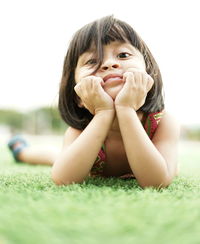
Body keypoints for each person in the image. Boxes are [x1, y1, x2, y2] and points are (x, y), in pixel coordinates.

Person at [8, 16, 179, 188]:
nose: (109, 64)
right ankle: (21, 150)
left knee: (59, 156)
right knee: (55, 157)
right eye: (92, 61)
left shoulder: (163, 122)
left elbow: (156, 182)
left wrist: (126, 109)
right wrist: (103, 112)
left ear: (149, 76)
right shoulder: (80, 129)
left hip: (159, 161)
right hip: (84, 162)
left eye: (123, 55)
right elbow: (65, 179)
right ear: (77, 95)